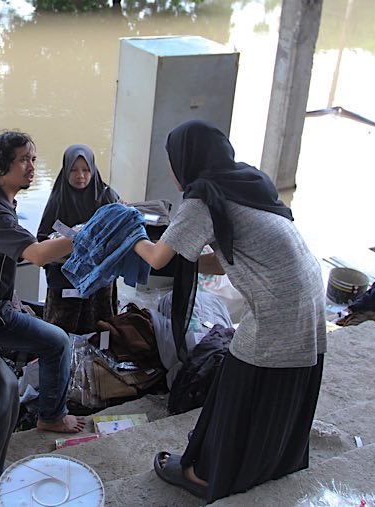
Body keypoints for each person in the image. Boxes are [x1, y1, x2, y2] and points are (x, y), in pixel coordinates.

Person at [132, 120, 326, 502]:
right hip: (308, 297)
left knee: (237, 388)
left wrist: (129, 234)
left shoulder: (202, 198)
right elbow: (224, 262)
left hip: (277, 311)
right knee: (270, 390)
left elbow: (155, 259)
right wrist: (182, 259)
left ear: (184, 161)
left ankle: (204, 475)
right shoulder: (245, 181)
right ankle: (268, 463)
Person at [0, 131, 87, 434]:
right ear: (0, 167)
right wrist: (83, 236)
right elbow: (37, 254)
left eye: (33, 159)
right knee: (57, 343)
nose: (31, 166)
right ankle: (51, 416)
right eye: (23, 159)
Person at [37, 144, 121, 335]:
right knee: (60, 333)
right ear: (65, 170)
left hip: (100, 279)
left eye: (85, 170)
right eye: (74, 170)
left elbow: (120, 237)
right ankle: (61, 360)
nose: (80, 176)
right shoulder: (58, 199)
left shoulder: (107, 196)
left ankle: (100, 359)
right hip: (65, 278)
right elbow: (41, 240)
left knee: (99, 329)